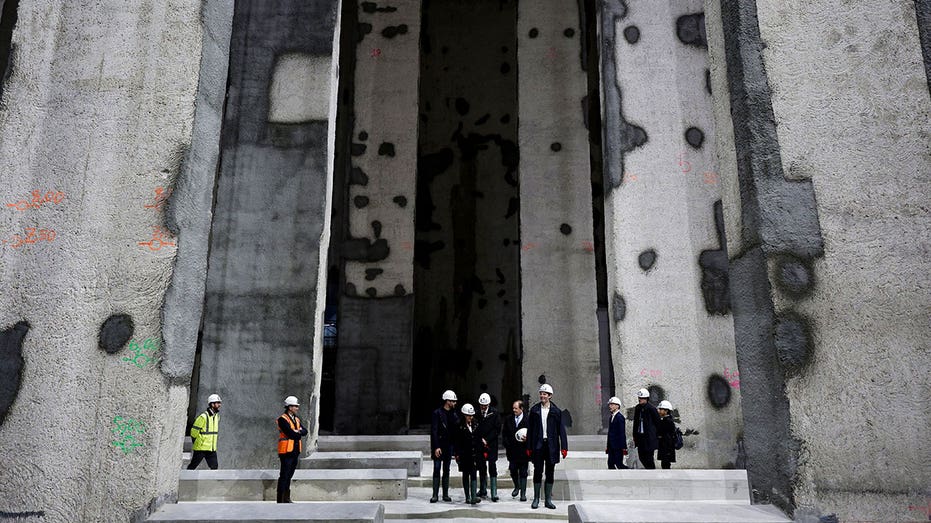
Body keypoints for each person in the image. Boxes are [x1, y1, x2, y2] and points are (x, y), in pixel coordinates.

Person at [526, 383, 568, 510]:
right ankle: (536, 498)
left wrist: (564, 447)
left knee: (550, 472)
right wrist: (528, 446)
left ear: (550, 396)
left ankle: (548, 499)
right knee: (537, 471)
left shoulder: (556, 411)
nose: (542, 396)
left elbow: (561, 430)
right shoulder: (534, 411)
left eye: (544, 394)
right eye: (541, 393)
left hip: (551, 446)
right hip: (538, 445)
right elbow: (530, 430)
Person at [276, 395, 308, 503]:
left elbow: (305, 431)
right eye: (295, 406)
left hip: (295, 451)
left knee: (289, 475)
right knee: (284, 475)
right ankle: (281, 499)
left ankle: (286, 498)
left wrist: (297, 432)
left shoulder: (297, 419)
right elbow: (289, 433)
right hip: (286, 451)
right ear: (290, 407)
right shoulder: (282, 419)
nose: (297, 408)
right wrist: (298, 432)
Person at [430, 389, 459, 503]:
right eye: (453, 401)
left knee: (446, 469)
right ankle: (435, 494)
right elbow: (434, 431)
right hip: (439, 445)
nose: (454, 403)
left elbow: (455, 431)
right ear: (447, 401)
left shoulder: (454, 414)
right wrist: (436, 447)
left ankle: (445, 494)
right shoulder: (437, 413)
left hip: (449, 445)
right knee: (437, 468)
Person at [454, 403, 484, 505]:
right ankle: (468, 496)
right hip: (464, 454)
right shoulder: (459, 425)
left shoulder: (476, 423)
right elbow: (457, 441)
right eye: (468, 415)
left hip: (474, 453)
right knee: (466, 474)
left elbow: (478, 437)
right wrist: (457, 454)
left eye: (471, 415)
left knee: (474, 474)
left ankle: (474, 496)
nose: (470, 417)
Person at [502, 399, 529, 501]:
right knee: (513, 470)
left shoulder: (527, 419)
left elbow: (532, 432)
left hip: (523, 451)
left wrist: (528, 440)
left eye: (516, 408)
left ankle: (523, 493)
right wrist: (507, 444)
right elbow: (504, 433)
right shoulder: (508, 419)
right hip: (512, 450)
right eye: (513, 408)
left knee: (523, 472)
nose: (514, 410)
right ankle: (517, 486)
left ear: (521, 409)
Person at [476, 392, 501, 501]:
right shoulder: (477, 414)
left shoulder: (494, 413)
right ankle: (483, 489)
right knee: (481, 467)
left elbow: (497, 429)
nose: (483, 407)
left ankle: (494, 492)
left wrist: (487, 439)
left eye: (485, 405)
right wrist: (480, 439)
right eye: (482, 405)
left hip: (491, 444)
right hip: (480, 444)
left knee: (492, 466)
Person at [188, 393, 222, 470]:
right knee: (193, 466)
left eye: (220, 403)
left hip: (211, 448)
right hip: (201, 448)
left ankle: (212, 482)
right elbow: (193, 432)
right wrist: (197, 442)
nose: (220, 405)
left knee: (214, 467)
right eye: (218, 403)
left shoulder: (217, 417)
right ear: (212, 404)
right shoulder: (203, 417)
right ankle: (185, 479)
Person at [632, 388, 659, 469]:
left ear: (646, 399)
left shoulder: (651, 409)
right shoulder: (638, 408)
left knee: (649, 457)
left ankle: (652, 471)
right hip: (640, 436)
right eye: (639, 398)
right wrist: (635, 435)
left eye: (642, 398)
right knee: (641, 456)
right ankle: (649, 469)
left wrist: (656, 436)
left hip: (649, 438)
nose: (640, 400)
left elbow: (657, 423)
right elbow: (636, 423)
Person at [605, 396, 628, 469]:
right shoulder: (611, 417)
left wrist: (623, 447)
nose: (610, 406)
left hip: (618, 446)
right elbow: (610, 433)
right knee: (610, 464)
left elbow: (622, 433)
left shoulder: (620, 417)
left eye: (612, 404)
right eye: (610, 404)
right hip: (611, 446)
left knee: (619, 464)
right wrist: (608, 446)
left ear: (617, 406)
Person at [656, 400, 677, 469]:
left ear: (666, 411)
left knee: (665, 465)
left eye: (661, 409)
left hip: (666, 448)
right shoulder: (666, 420)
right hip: (666, 447)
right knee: (665, 464)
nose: (659, 411)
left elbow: (664, 434)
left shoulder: (667, 421)